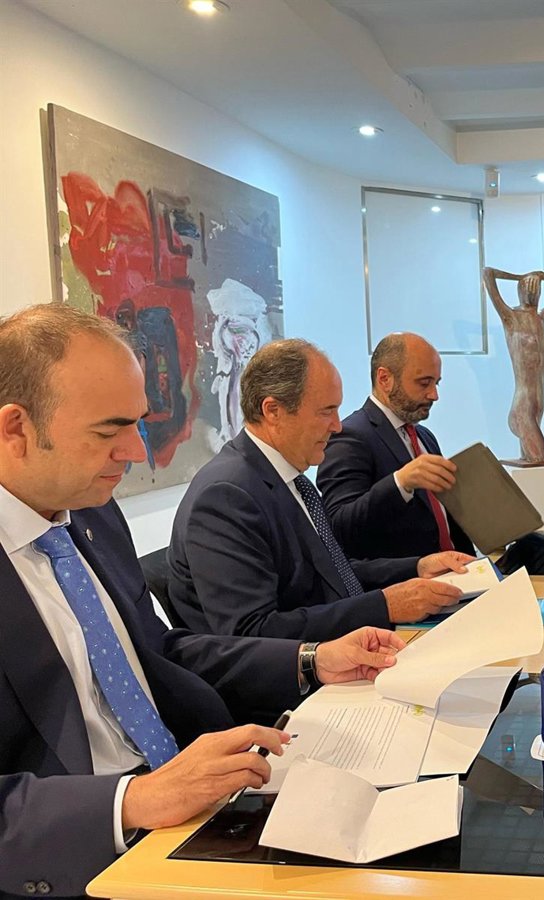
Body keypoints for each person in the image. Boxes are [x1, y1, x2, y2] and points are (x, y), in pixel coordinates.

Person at [0, 305, 405, 898]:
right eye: (109, 431)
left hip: (192, 801)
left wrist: (310, 659)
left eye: (139, 425)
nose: (135, 452)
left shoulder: (90, 516)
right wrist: (131, 800)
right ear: (15, 428)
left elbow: (157, 653)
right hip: (80, 851)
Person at [169, 339, 473, 641]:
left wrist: (417, 567)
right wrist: (384, 607)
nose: (337, 426)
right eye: (326, 411)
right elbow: (254, 632)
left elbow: (332, 572)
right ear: (273, 411)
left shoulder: (289, 479)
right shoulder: (226, 496)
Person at [317, 332, 473, 560]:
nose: (434, 395)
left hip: (458, 570)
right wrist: (400, 482)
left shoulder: (424, 437)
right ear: (385, 379)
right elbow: (340, 526)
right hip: (405, 578)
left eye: (436, 383)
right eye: (424, 383)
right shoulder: (350, 436)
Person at [482, 267, 544, 463]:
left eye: (535, 287)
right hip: (523, 406)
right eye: (527, 286)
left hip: (538, 404)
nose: (531, 291)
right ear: (519, 290)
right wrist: (520, 276)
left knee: (531, 464)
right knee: (540, 460)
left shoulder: (541, 318)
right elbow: (488, 273)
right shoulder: (510, 317)